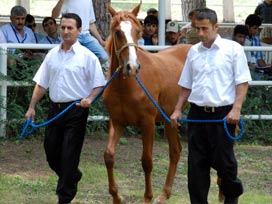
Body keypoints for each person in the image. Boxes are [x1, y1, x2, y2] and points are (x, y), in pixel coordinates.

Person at [170, 8, 251, 204]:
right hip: (197, 114)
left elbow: (242, 82)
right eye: (197, 29)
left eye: (204, 29)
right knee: (196, 166)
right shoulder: (193, 52)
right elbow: (186, 85)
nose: (200, 33)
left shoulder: (233, 50)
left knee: (226, 165)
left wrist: (236, 109)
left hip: (223, 115)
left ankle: (231, 199)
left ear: (216, 27)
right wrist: (178, 109)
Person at [24, 13, 106, 204]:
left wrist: (90, 99)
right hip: (54, 109)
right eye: (63, 27)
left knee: (69, 154)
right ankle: (72, 175)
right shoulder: (52, 54)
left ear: (79, 31)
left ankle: (64, 197)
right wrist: (31, 107)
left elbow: (99, 83)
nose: (66, 31)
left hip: (76, 110)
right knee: (51, 152)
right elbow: (42, 83)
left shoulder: (88, 57)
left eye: (70, 28)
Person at [51, 0, 109, 67]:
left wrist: (100, 40)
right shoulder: (65, 1)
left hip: (86, 36)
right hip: (71, 36)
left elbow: (91, 23)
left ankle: (84, 71)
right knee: (72, 61)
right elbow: (54, 16)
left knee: (103, 57)